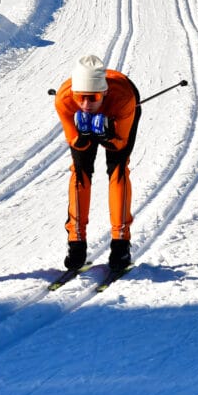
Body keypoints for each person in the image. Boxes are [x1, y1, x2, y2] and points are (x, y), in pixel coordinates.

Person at [54, 55, 141, 271]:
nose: (85, 104)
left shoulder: (123, 98)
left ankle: (121, 244)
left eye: (92, 97)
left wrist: (106, 137)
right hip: (90, 118)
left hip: (117, 112)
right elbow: (76, 143)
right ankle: (76, 244)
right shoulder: (65, 100)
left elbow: (119, 146)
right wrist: (82, 138)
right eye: (80, 97)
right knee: (80, 170)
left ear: (103, 93)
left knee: (118, 169)